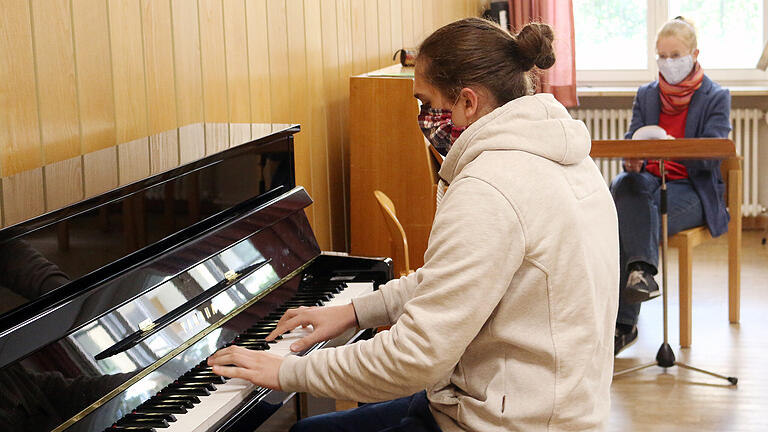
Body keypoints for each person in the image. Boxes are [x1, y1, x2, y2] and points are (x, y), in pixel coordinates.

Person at [208, 18, 619, 431]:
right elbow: (453, 280)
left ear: (468, 104)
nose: (423, 118)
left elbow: (415, 358)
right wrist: (353, 312)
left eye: (425, 103)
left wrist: (284, 372)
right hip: (533, 403)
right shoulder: (568, 158)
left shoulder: (490, 188)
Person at [613, 17, 731, 355]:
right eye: (661, 56)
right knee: (624, 183)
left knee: (627, 219)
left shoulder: (716, 96)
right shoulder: (647, 94)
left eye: (675, 54)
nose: (668, 63)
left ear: (694, 54)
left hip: (692, 187)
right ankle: (642, 272)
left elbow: (712, 155)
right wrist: (632, 157)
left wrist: (672, 145)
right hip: (648, 179)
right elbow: (631, 138)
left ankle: (624, 323)